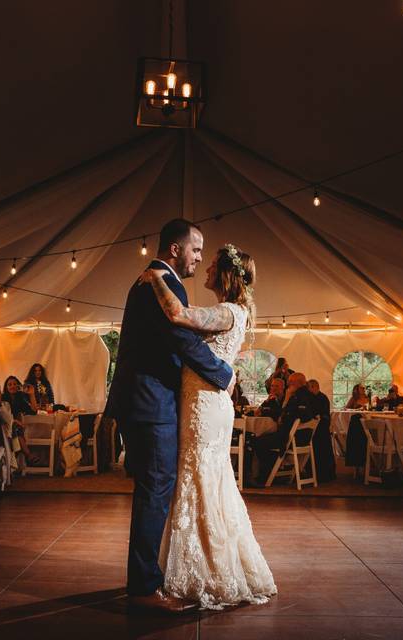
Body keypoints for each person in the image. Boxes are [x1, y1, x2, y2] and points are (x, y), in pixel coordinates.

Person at [105, 218, 235, 613]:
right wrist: (224, 374)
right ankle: (144, 589)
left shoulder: (150, 281)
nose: (199, 257)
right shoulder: (162, 283)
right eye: (196, 249)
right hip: (150, 401)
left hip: (141, 400)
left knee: (152, 490)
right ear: (175, 250)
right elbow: (182, 339)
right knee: (155, 490)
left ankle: (142, 578)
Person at [140, 236, 276, 610]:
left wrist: (155, 279)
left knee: (200, 476)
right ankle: (197, 561)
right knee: (202, 477)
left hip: (205, 405)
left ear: (228, 274)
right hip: (201, 401)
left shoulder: (229, 311)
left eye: (213, 263)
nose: (207, 266)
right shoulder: (230, 311)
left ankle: (209, 569)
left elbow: (179, 316)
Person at [253, 372, 317, 485]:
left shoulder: (300, 396)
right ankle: (275, 468)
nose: (289, 384)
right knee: (260, 439)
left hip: (291, 437)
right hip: (299, 436)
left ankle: (265, 475)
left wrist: (286, 401)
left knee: (257, 441)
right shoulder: (302, 395)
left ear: (298, 383)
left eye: (291, 382)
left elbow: (289, 415)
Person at [307, 379, 337, 482]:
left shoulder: (322, 398)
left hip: (322, 427)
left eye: (309, 387)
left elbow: (323, 414)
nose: (308, 390)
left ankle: (324, 474)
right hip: (317, 426)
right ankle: (314, 472)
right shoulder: (312, 397)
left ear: (315, 387)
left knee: (321, 448)